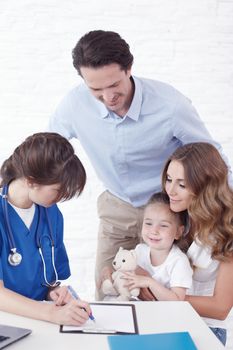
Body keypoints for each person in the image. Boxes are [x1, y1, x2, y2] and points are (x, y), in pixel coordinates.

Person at [48, 29, 232, 299]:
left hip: (168, 210)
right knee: (109, 294)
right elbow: (46, 148)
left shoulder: (170, 105)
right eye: (96, 89)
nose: (107, 96)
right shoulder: (74, 104)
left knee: (162, 297)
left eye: (114, 85)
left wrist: (227, 199)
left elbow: (209, 155)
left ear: (129, 68)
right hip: (117, 209)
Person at [0, 132, 92, 325]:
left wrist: (54, 294)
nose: (62, 196)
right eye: (58, 190)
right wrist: (49, 313)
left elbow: (48, 279)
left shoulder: (52, 214)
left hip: (40, 321)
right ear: (31, 180)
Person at [161, 142, 233, 345]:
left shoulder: (227, 229)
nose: (171, 191)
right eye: (169, 179)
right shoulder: (174, 215)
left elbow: (220, 308)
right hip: (167, 320)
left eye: (181, 184)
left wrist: (165, 296)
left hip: (206, 329)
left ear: (205, 186)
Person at [123, 192, 193, 301]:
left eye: (163, 225)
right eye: (148, 223)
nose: (154, 231)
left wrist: (149, 282)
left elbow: (177, 300)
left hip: (166, 316)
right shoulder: (139, 250)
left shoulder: (179, 262)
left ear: (178, 232)